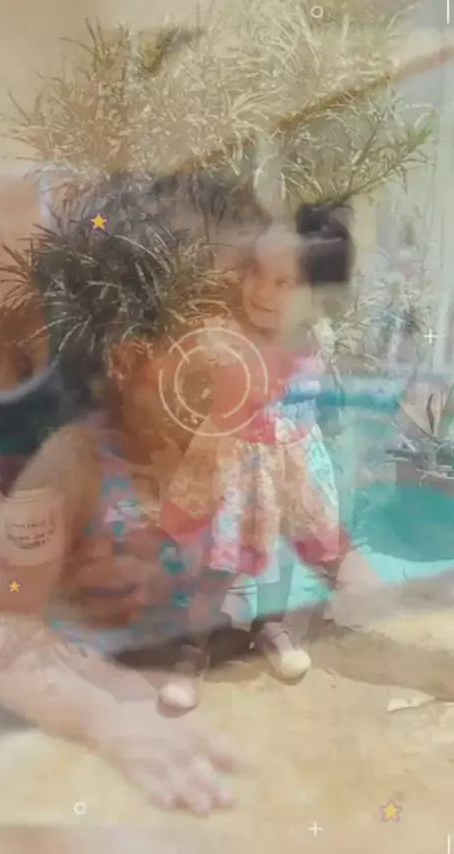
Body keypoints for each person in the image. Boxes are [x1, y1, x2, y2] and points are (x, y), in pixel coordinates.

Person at [0, 171, 260, 815]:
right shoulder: (75, 469)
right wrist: (103, 712)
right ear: (132, 359)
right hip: (81, 725)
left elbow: (328, 553)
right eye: (237, 332)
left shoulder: (239, 450)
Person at [159, 203, 354, 711]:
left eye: (283, 282)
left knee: (281, 558)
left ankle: (271, 627)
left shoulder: (318, 340)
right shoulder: (227, 334)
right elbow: (193, 379)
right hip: (234, 472)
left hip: (290, 472)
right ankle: (192, 650)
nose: (262, 291)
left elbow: (318, 400)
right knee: (217, 567)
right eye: (256, 272)